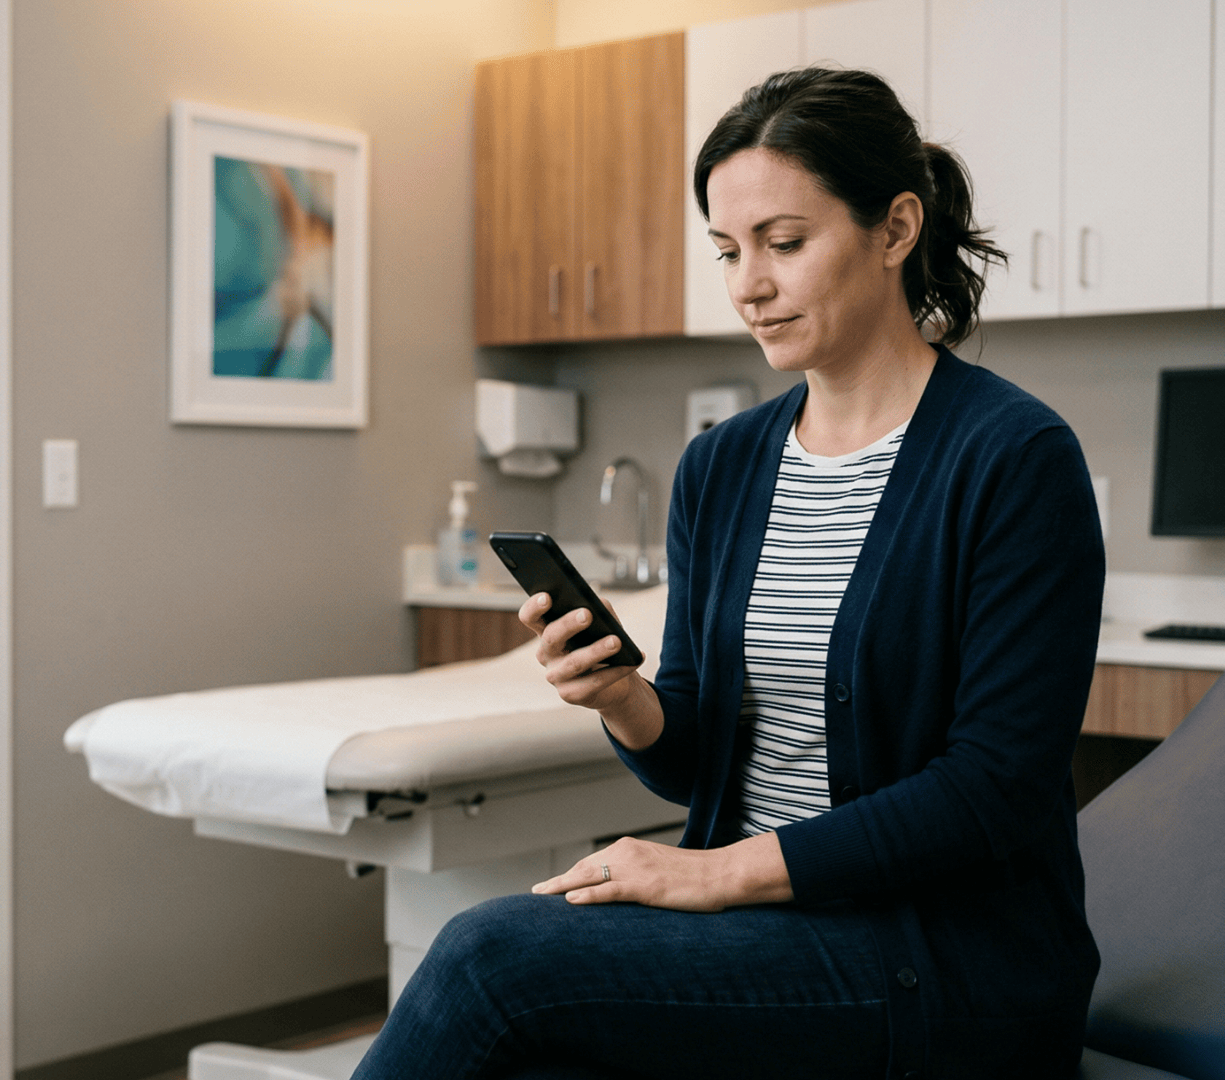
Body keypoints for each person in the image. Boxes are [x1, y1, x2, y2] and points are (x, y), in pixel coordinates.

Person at [352, 68, 1104, 1079]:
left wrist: (711, 875)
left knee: (490, 962)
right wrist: (624, 700)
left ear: (895, 229)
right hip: (757, 929)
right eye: (728, 249)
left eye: (785, 243)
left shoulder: (1013, 457)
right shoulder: (723, 465)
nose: (750, 282)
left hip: (941, 960)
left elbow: (993, 793)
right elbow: (695, 750)